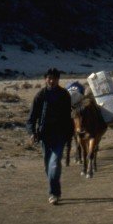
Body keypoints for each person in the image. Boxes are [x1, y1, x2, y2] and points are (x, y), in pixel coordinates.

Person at [26, 67, 74, 204]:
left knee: (54, 163)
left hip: (60, 135)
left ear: (58, 80)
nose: (52, 81)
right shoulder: (40, 95)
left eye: (54, 78)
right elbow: (32, 117)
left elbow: (68, 117)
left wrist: (69, 135)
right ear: (45, 79)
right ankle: (55, 189)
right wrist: (32, 133)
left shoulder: (64, 95)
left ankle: (53, 193)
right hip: (45, 136)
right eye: (49, 78)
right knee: (48, 166)